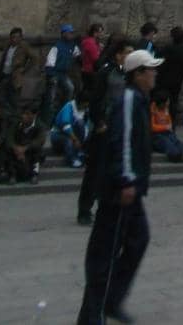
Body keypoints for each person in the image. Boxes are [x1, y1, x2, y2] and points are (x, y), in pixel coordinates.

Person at [76, 48, 162, 325]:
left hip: (130, 190)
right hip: (119, 190)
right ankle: (93, 315)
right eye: (151, 70)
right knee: (105, 253)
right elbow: (122, 142)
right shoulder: (127, 100)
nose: (155, 74)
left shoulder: (138, 100)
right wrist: (126, 179)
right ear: (138, 74)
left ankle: (111, 300)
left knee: (139, 239)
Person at [78, 36, 130, 227]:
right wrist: (99, 122)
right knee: (95, 170)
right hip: (104, 127)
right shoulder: (106, 73)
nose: (130, 56)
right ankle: (85, 208)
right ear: (118, 55)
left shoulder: (128, 74)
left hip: (120, 128)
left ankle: (107, 207)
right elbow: (95, 100)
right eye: (127, 53)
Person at [0, 25, 36, 130]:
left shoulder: (24, 47)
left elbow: (34, 58)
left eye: (16, 37)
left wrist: (24, 70)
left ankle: (15, 123)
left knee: (14, 101)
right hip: (5, 75)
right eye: (12, 37)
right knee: (1, 97)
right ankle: (4, 119)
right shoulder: (8, 45)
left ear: (20, 37)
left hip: (15, 78)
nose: (14, 39)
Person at [42, 24, 81, 124]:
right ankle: (48, 121)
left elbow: (78, 54)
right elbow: (50, 63)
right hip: (55, 73)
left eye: (72, 33)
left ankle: (62, 112)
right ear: (63, 34)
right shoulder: (57, 47)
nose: (71, 35)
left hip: (64, 74)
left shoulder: (72, 45)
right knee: (51, 97)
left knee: (70, 89)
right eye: (69, 33)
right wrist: (51, 76)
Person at [4, 103, 47, 183]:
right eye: (23, 114)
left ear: (34, 115)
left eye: (27, 114)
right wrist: (16, 148)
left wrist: (25, 148)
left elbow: (40, 140)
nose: (24, 116)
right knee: (7, 150)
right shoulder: (16, 124)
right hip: (17, 150)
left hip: (30, 150)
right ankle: (12, 175)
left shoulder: (40, 126)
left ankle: (34, 174)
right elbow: (9, 138)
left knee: (39, 151)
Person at [157, 25, 183, 123]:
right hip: (177, 80)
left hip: (164, 80)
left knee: (162, 102)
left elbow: (159, 62)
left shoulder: (166, 48)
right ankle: (171, 123)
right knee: (174, 102)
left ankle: (162, 122)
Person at [150, 89, 183, 162]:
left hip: (167, 133)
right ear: (161, 103)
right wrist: (165, 127)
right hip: (156, 136)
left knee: (175, 140)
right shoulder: (153, 109)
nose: (168, 103)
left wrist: (167, 126)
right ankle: (175, 155)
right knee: (167, 142)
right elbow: (152, 127)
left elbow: (169, 123)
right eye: (166, 102)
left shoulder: (165, 109)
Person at [51, 93, 91, 168]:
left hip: (75, 136)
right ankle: (72, 159)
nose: (86, 107)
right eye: (85, 105)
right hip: (58, 134)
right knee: (68, 140)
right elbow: (66, 126)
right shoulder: (68, 107)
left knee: (80, 124)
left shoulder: (86, 110)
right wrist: (75, 139)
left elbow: (86, 126)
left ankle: (79, 152)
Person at [79, 23, 104, 100]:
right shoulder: (90, 42)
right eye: (100, 32)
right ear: (94, 33)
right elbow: (95, 58)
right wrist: (100, 52)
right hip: (89, 70)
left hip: (88, 70)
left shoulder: (92, 42)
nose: (101, 34)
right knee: (90, 92)